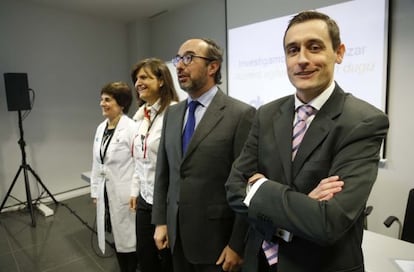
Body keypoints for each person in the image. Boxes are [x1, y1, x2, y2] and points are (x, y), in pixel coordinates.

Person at [225, 10, 389, 272]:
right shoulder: (266, 114)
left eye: (314, 47)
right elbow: (233, 189)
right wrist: (303, 204)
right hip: (261, 262)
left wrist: (259, 188)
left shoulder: (364, 121)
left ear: (339, 52)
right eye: (293, 50)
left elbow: (328, 222)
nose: (302, 59)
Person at [151, 38, 256, 272]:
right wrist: (161, 220)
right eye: (178, 59)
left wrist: (237, 244)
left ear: (213, 66)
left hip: (217, 244)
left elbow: (247, 187)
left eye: (188, 58)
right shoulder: (173, 113)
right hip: (177, 236)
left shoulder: (241, 114)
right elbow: (163, 174)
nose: (178, 66)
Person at [129, 58, 179, 272]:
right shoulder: (141, 116)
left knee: (167, 260)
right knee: (145, 257)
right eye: (136, 79)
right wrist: (135, 190)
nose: (138, 82)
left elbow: (176, 166)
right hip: (144, 198)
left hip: (166, 202)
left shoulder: (175, 113)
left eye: (144, 77)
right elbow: (139, 159)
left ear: (161, 81)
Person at [90, 81, 138, 272]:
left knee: (129, 237)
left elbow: (138, 165)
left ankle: (131, 267)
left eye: (107, 100)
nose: (102, 103)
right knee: (117, 236)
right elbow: (97, 162)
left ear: (121, 103)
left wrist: (135, 192)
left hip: (126, 194)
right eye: (101, 99)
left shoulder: (131, 128)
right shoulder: (101, 128)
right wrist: (95, 190)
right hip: (106, 191)